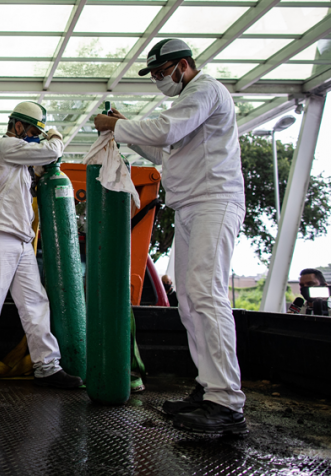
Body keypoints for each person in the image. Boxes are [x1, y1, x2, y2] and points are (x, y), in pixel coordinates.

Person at [94, 38, 247, 435]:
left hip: (215, 201)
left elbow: (167, 129)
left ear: (183, 65)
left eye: (162, 72)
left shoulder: (204, 90)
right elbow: (166, 151)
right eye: (155, 75)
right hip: (193, 204)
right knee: (191, 301)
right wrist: (127, 132)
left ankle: (227, 403)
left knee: (206, 294)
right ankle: (210, 387)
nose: (159, 80)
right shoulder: (189, 105)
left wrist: (117, 126)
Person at [0, 101, 83, 389]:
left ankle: (47, 366)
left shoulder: (21, 162)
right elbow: (51, 151)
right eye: (33, 133)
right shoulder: (2, 147)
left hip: (22, 240)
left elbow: (41, 166)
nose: (35, 138)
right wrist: (54, 135)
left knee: (35, 304)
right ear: (17, 126)